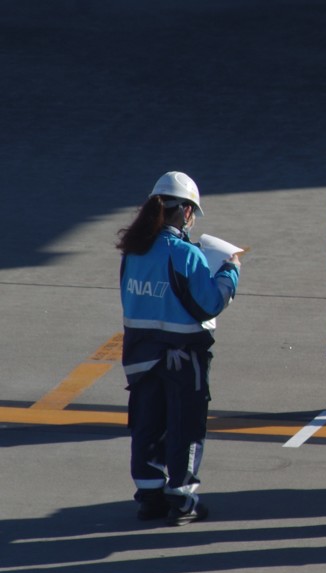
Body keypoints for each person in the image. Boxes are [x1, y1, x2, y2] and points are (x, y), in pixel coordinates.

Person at [117, 171, 240, 525]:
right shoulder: (185, 255)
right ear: (186, 212)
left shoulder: (132, 253)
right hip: (183, 358)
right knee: (185, 427)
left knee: (147, 425)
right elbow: (209, 304)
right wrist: (230, 273)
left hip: (141, 358)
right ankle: (182, 499)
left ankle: (149, 496)